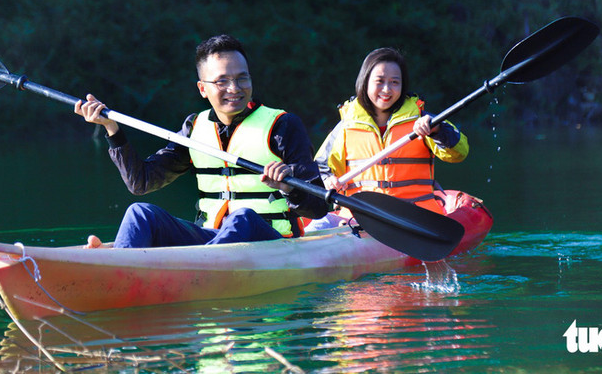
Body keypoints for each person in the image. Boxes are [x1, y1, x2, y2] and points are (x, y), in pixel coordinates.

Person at [74, 34, 328, 248]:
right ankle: (120, 265)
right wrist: (111, 129)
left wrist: (287, 187)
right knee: (140, 213)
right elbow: (141, 182)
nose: (234, 88)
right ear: (202, 89)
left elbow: (317, 208)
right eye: (222, 81)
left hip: (272, 241)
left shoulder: (283, 126)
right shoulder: (194, 128)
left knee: (242, 218)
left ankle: (197, 268)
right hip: (212, 238)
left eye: (242, 78)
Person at [312, 47, 468, 226]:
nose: (386, 89)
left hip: (414, 218)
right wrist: (328, 180)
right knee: (318, 225)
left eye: (395, 82)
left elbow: (460, 152)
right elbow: (320, 167)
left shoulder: (424, 120)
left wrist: (437, 131)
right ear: (365, 82)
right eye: (379, 81)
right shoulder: (346, 126)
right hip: (358, 218)